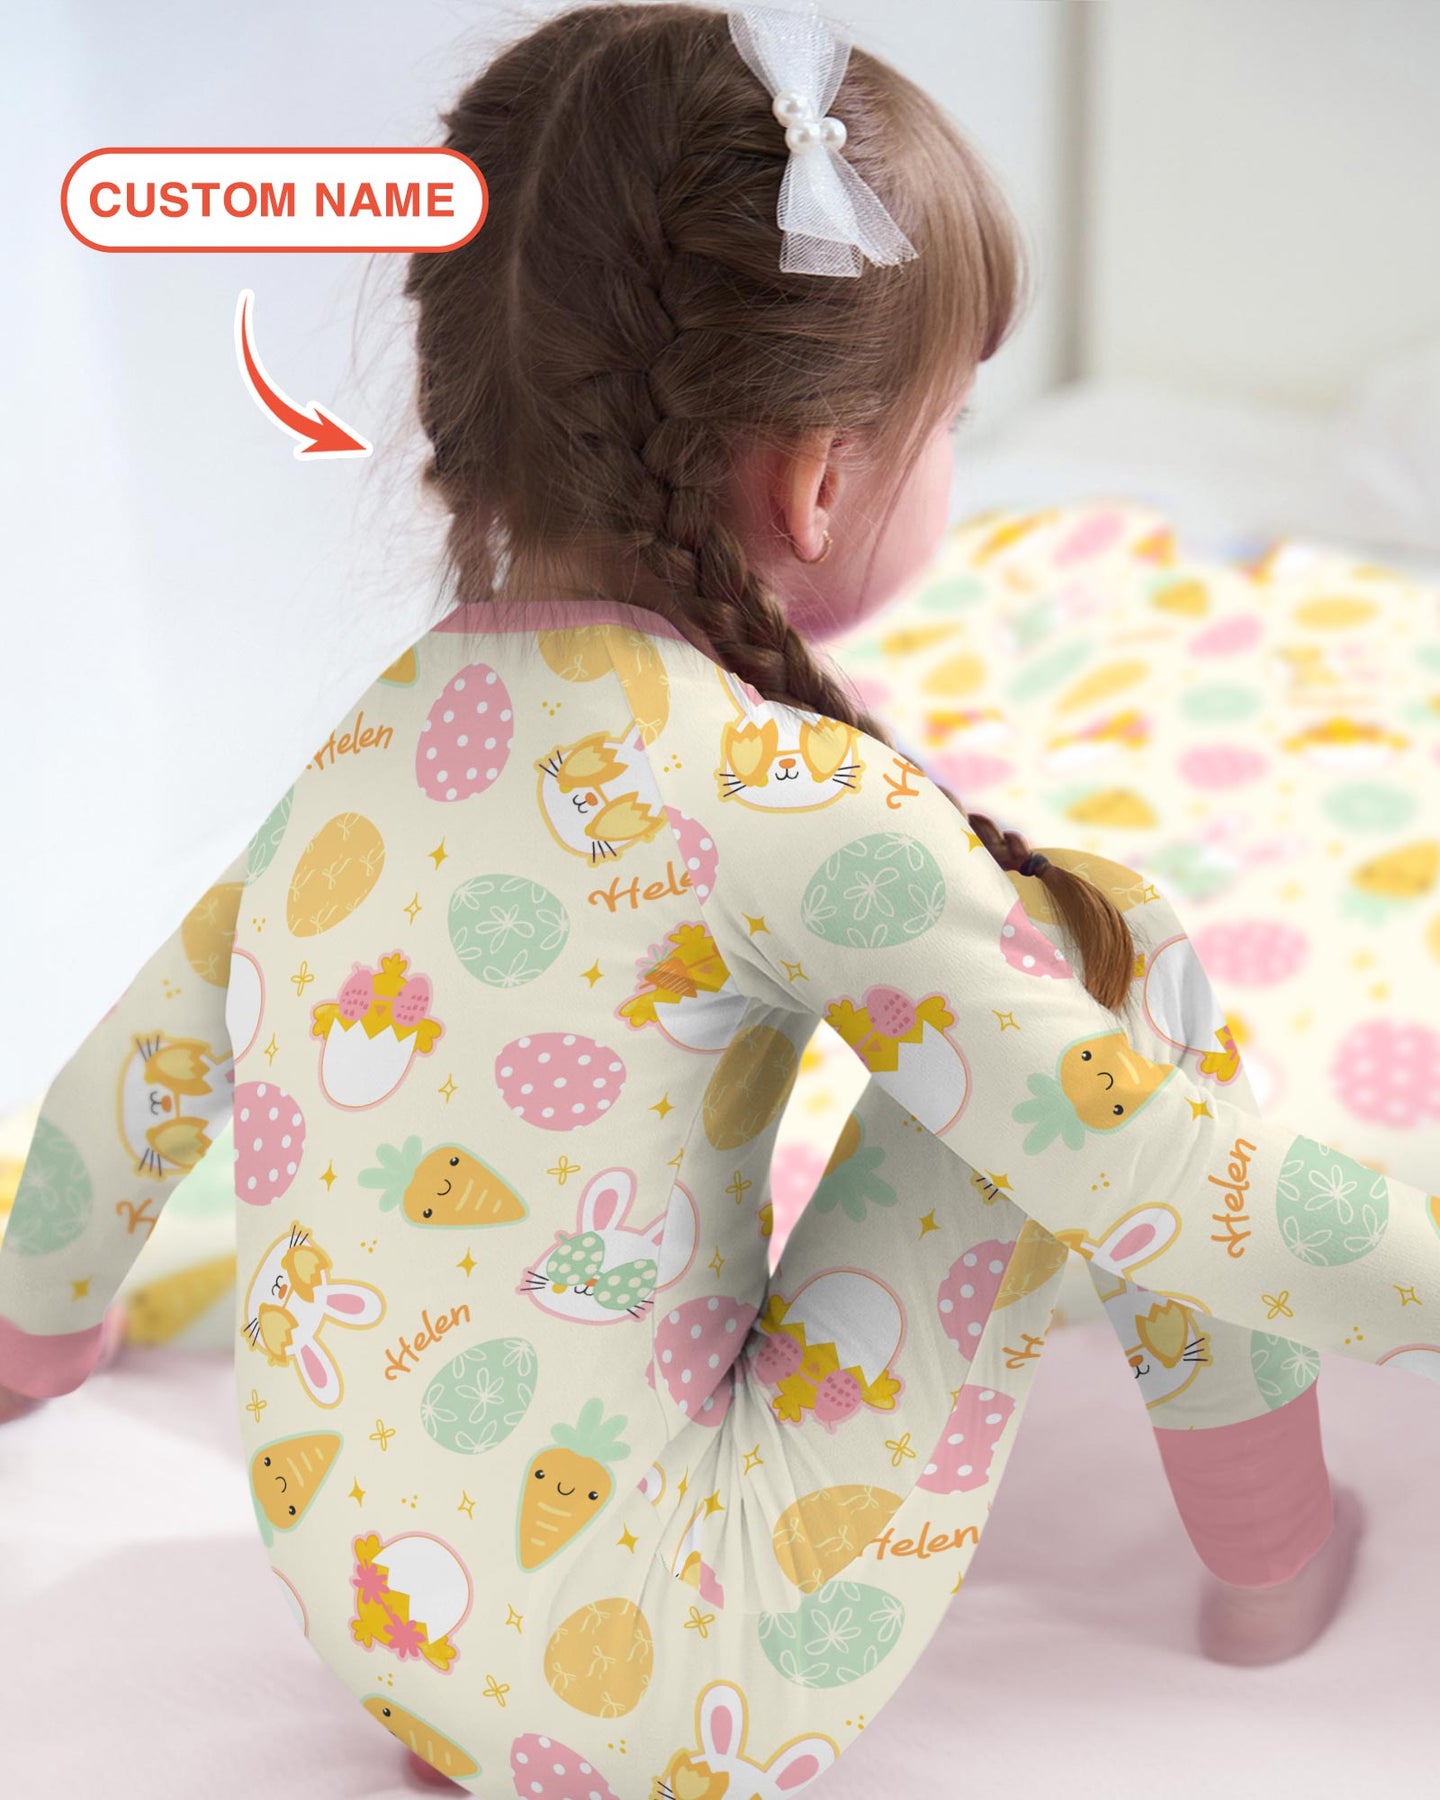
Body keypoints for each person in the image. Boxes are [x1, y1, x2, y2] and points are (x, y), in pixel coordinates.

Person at [0, 2, 1408, 1791]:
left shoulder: (361, 760)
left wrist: (37, 1340)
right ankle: (1271, 1551)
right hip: (688, 1690)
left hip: (381, 1642)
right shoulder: (780, 800)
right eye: (951, 423)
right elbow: (1144, 1170)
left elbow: (110, 1099)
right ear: (817, 479)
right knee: (1107, 949)